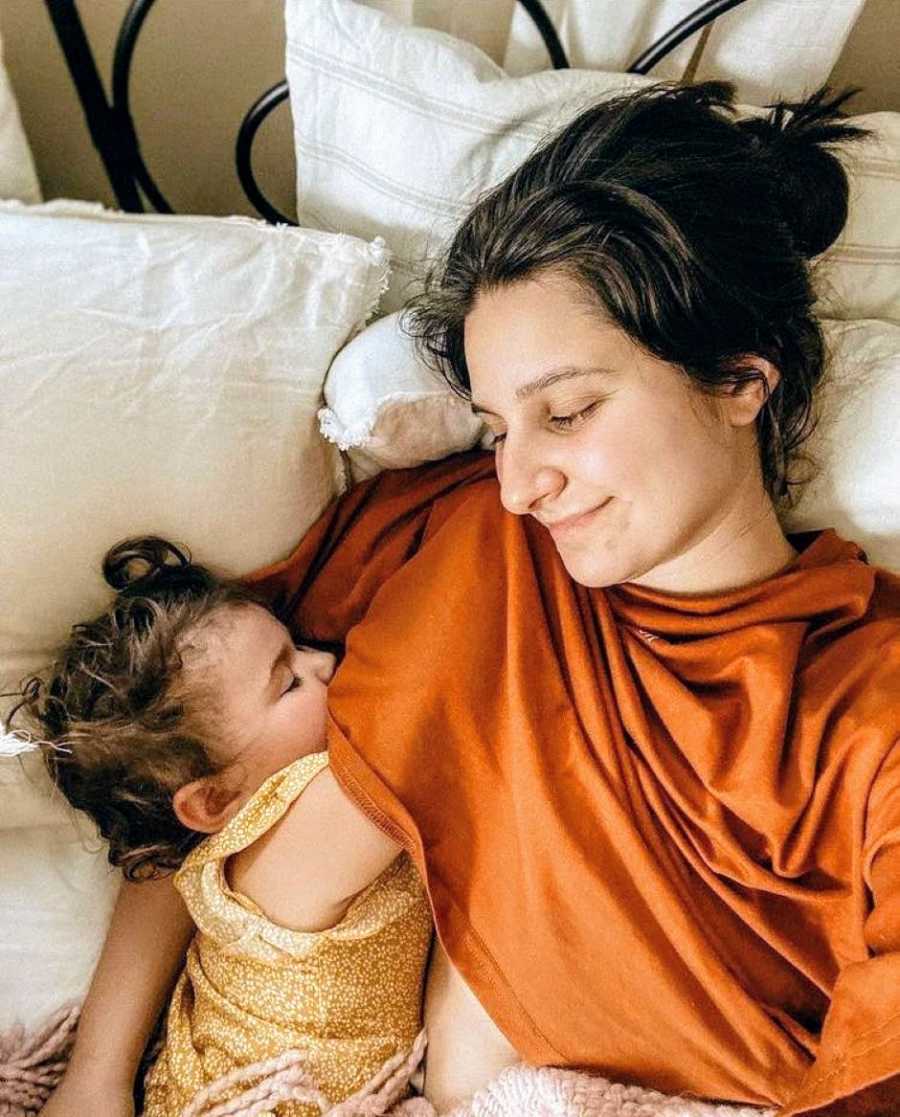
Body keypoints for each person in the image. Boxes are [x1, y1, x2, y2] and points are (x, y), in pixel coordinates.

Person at [41, 82, 899, 1116]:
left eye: (568, 411)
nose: (519, 481)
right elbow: (180, 773)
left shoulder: (872, 704)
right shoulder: (447, 537)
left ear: (738, 380)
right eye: (497, 429)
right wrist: (92, 1079)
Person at [22, 537, 432, 1116]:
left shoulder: (219, 848)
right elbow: (422, 735)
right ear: (212, 798)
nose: (326, 661)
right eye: (288, 681)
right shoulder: (297, 835)